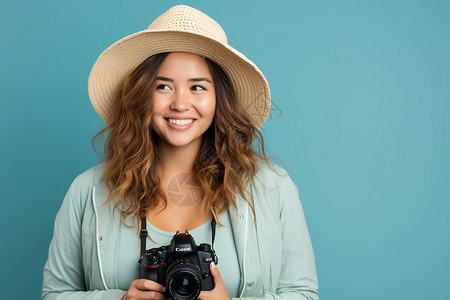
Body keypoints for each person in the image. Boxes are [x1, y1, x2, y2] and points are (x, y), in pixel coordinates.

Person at [42, 4, 319, 300]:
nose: (180, 103)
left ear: (219, 99)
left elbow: (303, 294)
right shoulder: (88, 192)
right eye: (163, 86)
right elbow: (54, 294)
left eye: (197, 87)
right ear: (142, 95)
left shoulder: (272, 187)